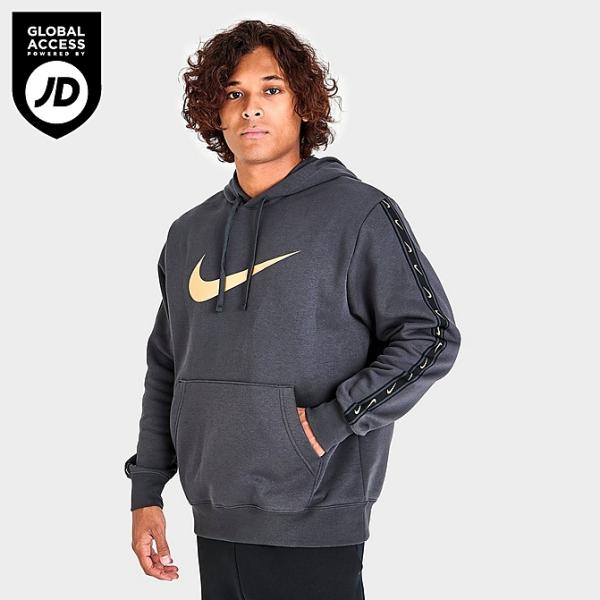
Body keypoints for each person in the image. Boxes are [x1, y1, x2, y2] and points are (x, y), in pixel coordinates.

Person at [124, 19, 461, 600]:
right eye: (234, 93)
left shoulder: (358, 214)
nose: (251, 108)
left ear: (302, 103)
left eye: (271, 89)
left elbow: (431, 337)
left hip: (315, 516)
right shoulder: (188, 233)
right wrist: (147, 489)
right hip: (214, 514)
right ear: (214, 112)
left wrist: (329, 423)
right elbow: (167, 367)